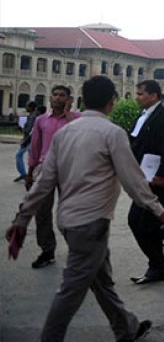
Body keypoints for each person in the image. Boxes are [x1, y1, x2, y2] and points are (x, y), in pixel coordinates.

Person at [5, 75, 164, 342]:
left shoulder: (65, 133)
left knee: (101, 280)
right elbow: (133, 178)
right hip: (91, 223)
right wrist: (156, 208)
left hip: (68, 221)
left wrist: (23, 217)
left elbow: (44, 181)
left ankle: (126, 327)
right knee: (71, 290)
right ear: (111, 102)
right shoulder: (112, 133)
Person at [127, 80, 164, 284]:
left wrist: (162, 173)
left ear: (153, 96)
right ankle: (158, 265)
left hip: (157, 179)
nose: (137, 97)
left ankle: (158, 265)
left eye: (141, 94)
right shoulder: (142, 117)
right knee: (140, 222)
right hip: (143, 177)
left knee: (140, 221)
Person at [25, 86, 81, 269]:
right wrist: (30, 172)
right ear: (50, 98)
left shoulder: (77, 119)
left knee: (71, 213)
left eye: (62, 95)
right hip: (45, 169)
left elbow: (80, 137)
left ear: (69, 99)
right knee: (42, 212)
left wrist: (67, 113)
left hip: (69, 169)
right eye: (55, 95)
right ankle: (47, 250)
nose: (57, 98)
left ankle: (78, 251)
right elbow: (35, 147)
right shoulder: (41, 120)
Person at [14, 101, 38, 182]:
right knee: (29, 156)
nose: (26, 108)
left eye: (27, 106)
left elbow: (29, 130)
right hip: (29, 139)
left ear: (31, 107)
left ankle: (25, 174)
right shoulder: (32, 115)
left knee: (19, 155)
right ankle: (26, 174)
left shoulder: (33, 116)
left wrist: (22, 129)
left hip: (29, 140)